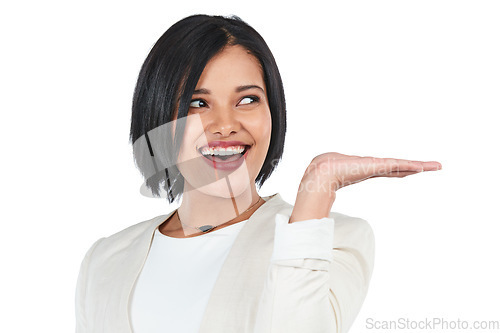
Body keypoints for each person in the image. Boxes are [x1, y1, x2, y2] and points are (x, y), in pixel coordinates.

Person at [75, 14, 442, 333]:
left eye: (248, 99)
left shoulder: (331, 238)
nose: (225, 125)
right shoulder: (105, 259)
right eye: (197, 103)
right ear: (157, 116)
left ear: (274, 112)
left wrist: (316, 191)